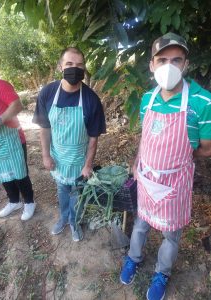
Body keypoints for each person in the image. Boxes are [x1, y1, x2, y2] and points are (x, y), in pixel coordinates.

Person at [120, 32, 211, 300]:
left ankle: (162, 272)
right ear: (151, 65)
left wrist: (178, 160)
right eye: (162, 60)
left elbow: (206, 148)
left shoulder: (203, 101)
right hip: (147, 177)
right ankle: (133, 258)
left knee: (171, 234)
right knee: (140, 223)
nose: (168, 66)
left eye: (176, 60)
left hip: (175, 182)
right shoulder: (147, 99)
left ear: (185, 64)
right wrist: (137, 162)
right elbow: (146, 137)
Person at [33, 47, 106, 242]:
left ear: (84, 68)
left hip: (79, 160)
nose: (75, 68)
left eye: (80, 65)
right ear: (60, 67)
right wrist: (46, 155)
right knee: (61, 189)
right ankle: (63, 218)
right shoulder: (48, 93)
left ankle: (74, 221)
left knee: (76, 194)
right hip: (58, 157)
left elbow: (93, 137)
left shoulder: (91, 99)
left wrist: (88, 164)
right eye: (69, 64)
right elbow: (44, 128)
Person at [0, 76, 35, 221]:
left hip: (11, 138)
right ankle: (14, 201)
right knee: (2, 172)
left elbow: (17, 105)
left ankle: (29, 202)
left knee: (19, 172)